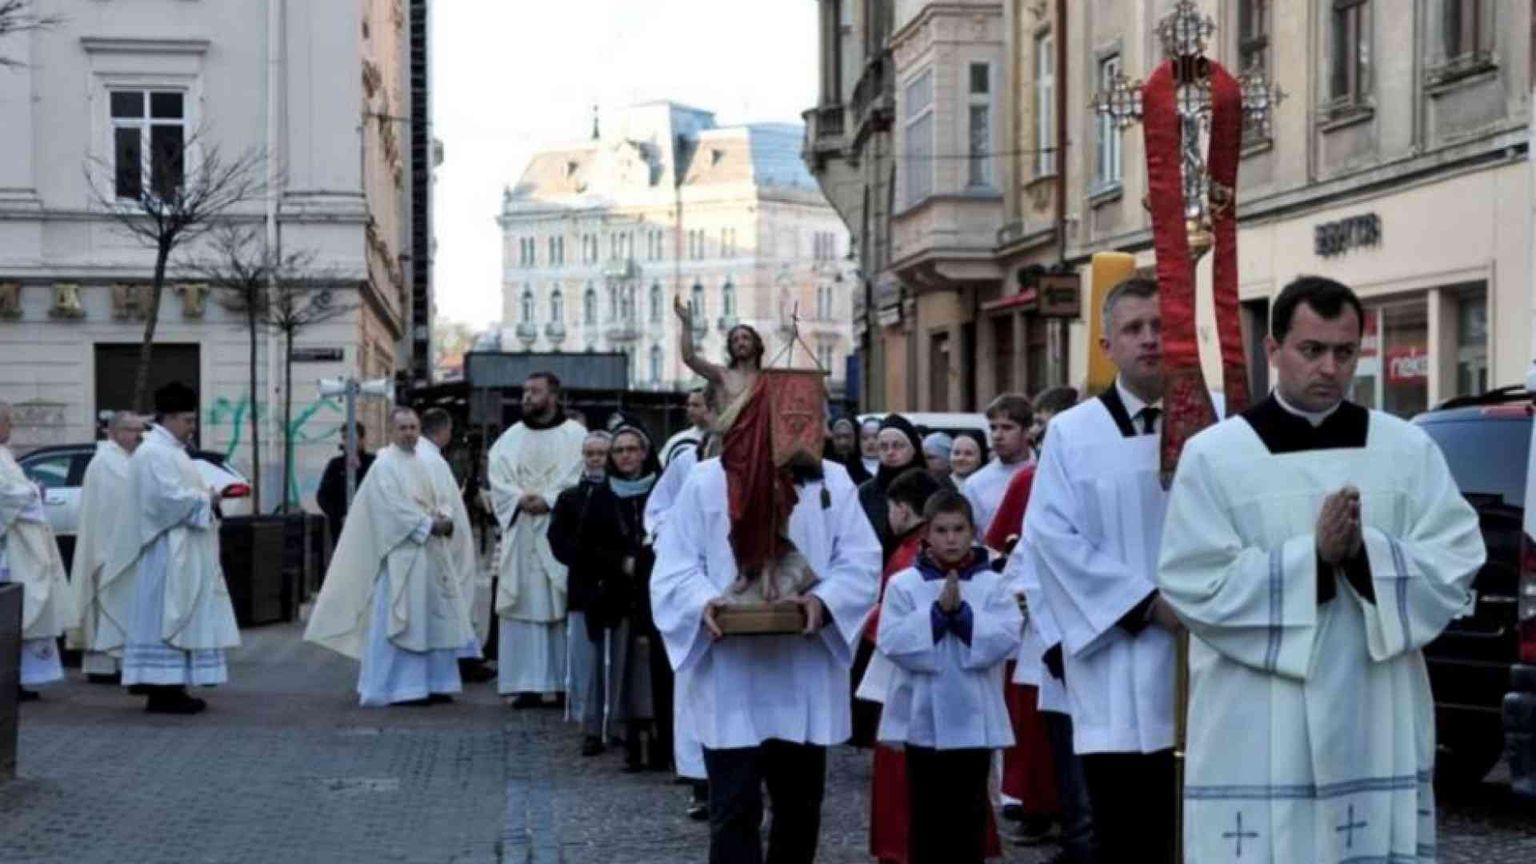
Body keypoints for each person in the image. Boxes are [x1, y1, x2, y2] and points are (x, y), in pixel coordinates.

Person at [1158, 276, 1486, 864]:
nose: (1330, 367)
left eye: (1344, 351)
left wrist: (1364, 555)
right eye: (1312, 350)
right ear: (1273, 350)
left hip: (1373, 703)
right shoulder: (1216, 456)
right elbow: (1193, 583)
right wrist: (1310, 560)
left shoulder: (1405, 449)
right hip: (1258, 720)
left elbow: (1455, 559)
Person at [650, 390, 881, 864]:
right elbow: (674, 564)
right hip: (730, 672)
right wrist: (704, 602)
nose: (798, 431)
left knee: (800, 806)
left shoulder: (832, 481)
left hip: (802, 669)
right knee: (733, 808)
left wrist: (823, 599)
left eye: (807, 420)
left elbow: (860, 560)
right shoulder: (704, 482)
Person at [1021, 277, 1184, 863]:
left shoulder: (1212, 424)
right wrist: (1143, 604)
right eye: (1134, 328)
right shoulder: (1073, 431)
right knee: (1116, 833)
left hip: (1198, 662)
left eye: (1160, 327)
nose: (1149, 340)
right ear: (1107, 344)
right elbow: (1050, 539)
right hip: (1112, 659)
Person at [877, 491, 1022, 864]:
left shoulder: (992, 583)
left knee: (969, 816)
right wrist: (937, 617)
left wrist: (965, 618)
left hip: (975, 719)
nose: (951, 539)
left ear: (972, 531)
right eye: (942, 530)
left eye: (959, 529)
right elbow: (891, 640)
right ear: (926, 533)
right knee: (927, 817)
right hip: (922, 718)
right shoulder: (905, 584)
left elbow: (1007, 635)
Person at [305, 407, 477, 706]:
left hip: (431, 557)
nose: (409, 433)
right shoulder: (384, 466)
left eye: (413, 427)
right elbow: (390, 509)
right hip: (402, 557)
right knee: (403, 621)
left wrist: (445, 517)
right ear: (391, 431)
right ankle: (401, 687)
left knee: (432, 619)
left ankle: (434, 683)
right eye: (403, 428)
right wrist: (427, 525)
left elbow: (446, 497)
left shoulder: (429, 462)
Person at [985, 385, 1089, 856]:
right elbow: (1018, 549)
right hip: (1042, 626)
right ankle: (1061, 822)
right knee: (1052, 736)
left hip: (1096, 623)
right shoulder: (1029, 482)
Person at [100, 382, 240, 714]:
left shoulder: (170, 451)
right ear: (171, 417)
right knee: (165, 617)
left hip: (182, 550)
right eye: (188, 420)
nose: (192, 427)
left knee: (176, 615)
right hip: (165, 553)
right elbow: (163, 501)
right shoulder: (153, 453)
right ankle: (163, 689)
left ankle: (171, 686)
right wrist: (209, 498)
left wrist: (205, 495)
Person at [553, 424, 668, 770]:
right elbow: (586, 545)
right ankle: (629, 740)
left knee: (657, 673)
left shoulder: (662, 490)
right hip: (616, 596)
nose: (626, 456)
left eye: (632, 449)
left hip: (657, 593)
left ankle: (666, 745)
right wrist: (620, 562)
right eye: (619, 451)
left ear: (645, 453)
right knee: (625, 671)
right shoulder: (601, 496)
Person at [0, 401, 76, 699]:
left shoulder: (6, 455)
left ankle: (16, 678)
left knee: (24, 613)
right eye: (7, 421)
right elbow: (6, 497)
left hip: (22, 545)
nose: (11, 427)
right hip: (9, 551)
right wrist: (33, 491)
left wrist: (30, 491)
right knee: (13, 614)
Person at [69, 410, 145, 682]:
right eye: (132, 429)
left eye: (140, 429)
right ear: (113, 432)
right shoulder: (109, 462)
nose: (138, 435)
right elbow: (124, 504)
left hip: (117, 547)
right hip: (109, 549)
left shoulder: (123, 460)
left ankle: (113, 664)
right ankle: (104, 666)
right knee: (111, 607)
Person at [417, 408, 491, 682]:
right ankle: (461, 660)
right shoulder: (432, 459)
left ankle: (466, 656)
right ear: (444, 432)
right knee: (455, 602)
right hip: (446, 545)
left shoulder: (425, 457)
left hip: (446, 543)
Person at [550, 430, 611, 733]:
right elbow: (558, 539)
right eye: (590, 454)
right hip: (582, 583)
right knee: (582, 654)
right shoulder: (569, 497)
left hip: (614, 587)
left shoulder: (617, 493)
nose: (595, 459)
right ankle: (584, 715)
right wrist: (583, 558)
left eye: (601, 453)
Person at [675, 294, 764, 432]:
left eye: (745, 338)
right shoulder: (722, 375)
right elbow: (689, 358)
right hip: (730, 442)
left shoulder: (766, 379)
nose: (740, 342)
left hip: (758, 446)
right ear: (730, 347)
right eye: (735, 340)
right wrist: (686, 325)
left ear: (756, 344)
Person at [961, 394, 1034, 539]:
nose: (997, 435)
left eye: (1007, 428)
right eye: (993, 428)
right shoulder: (976, 484)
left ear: (1026, 431)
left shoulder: (1047, 472)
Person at [857, 414, 926, 559]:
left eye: (897, 446)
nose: (890, 452)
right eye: (883, 446)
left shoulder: (932, 487)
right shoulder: (865, 493)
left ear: (914, 448)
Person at [316, 422, 376, 546]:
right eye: (345, 438)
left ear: (362, 439)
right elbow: (322, 495)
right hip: (341, 528)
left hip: (369, 526)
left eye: (352, 437)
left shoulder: (373, 463)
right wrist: (339, 516)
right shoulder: (336, 465)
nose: (348, 442)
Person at [661, 388, 713, 467]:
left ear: (711, 407)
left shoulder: (724, 438)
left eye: (696, 405)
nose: (690, 409)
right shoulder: (678, 440)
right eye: (688, 405)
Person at [831, 417, 872, 485]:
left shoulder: (867, 477)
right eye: (838, 437)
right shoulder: (825, 472)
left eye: (847, 436)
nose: (843, 442)